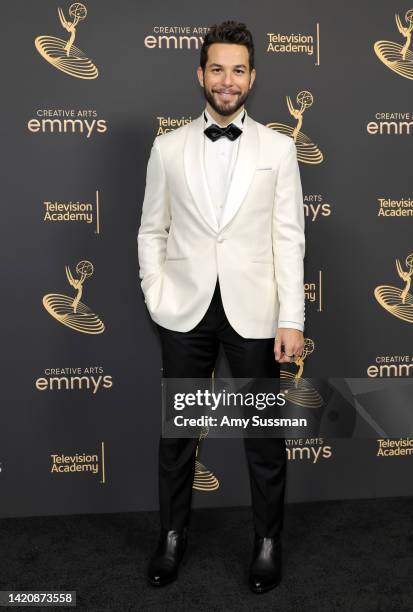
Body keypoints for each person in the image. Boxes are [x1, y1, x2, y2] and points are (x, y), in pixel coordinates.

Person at [137, 20, 305, 594]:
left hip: (255, 312)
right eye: (217, 69)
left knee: (262, 435)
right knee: (179, 433)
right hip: (185, 310)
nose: (226, 81)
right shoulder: (168, 147)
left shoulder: (279, 150)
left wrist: (292, 319)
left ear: (253, 77)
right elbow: (150, 230)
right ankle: (172, 537)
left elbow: (290, 238)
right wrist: (157, 295)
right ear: (200, 75)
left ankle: (266, 541)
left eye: (238, 70)